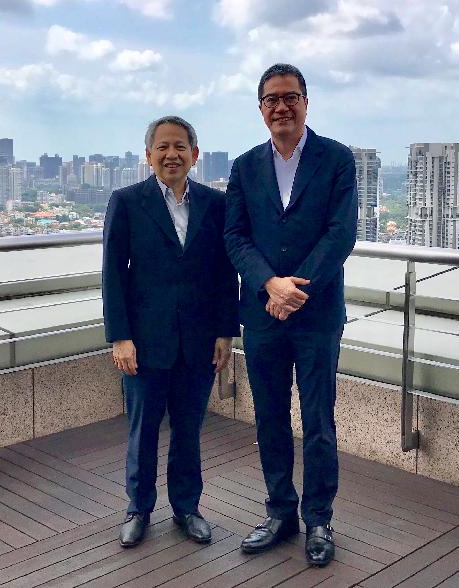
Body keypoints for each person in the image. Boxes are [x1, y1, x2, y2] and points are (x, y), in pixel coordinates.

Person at [224, 63, 357, 567]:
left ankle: (319, 519)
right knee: (270, 418)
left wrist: (296, 288)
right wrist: (269, 284)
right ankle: (280, 512)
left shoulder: (337, 159)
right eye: (271, 99)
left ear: (306, 101)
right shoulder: (244, 166)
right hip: (262, 315)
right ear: (261, 109)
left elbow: (340, 232)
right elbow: (235, 236)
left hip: (316, 314)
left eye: (290, 97)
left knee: (319, 420)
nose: (281, 106)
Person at [103, 115, 240, 548]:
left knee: (188, 429)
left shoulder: (214, 205)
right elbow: (113, 274)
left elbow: (224, 274)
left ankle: (187, 508)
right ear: (148, 156)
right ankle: (138, 508)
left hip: (199, 340)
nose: (171, 154)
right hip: (144, 340)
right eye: (162, 147)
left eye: (180, 146)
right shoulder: (126, 202)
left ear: (194, 155)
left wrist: (225, 331)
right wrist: (120, 337)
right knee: (142, 430)